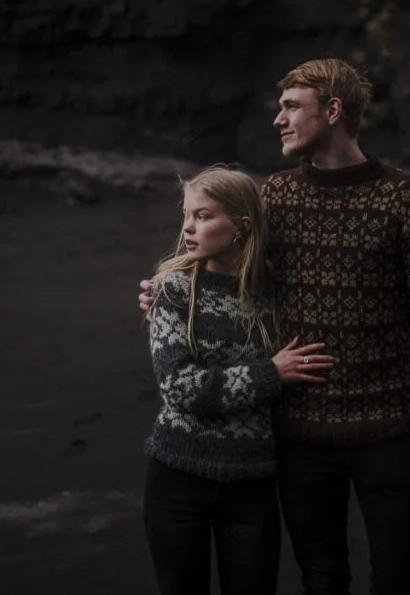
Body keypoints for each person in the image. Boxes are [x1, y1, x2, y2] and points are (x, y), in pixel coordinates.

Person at [141, 59, 410, 595]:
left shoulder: (406, 197)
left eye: (292, 107)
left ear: (333, 110)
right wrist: (169, 291)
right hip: (299, 435)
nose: (278, 119)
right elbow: (234, 266)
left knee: (397, 579)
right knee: (322, 578)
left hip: (386, 429)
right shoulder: (276, 196)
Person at [142, 165, 336, 595]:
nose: (188, 227)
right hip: (178, 477)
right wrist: (271, 373)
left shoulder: (275, 295)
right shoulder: (173, 290)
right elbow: (180, 388)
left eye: (203, 216)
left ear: (241, 227)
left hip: (252, 484)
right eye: (187, 215)